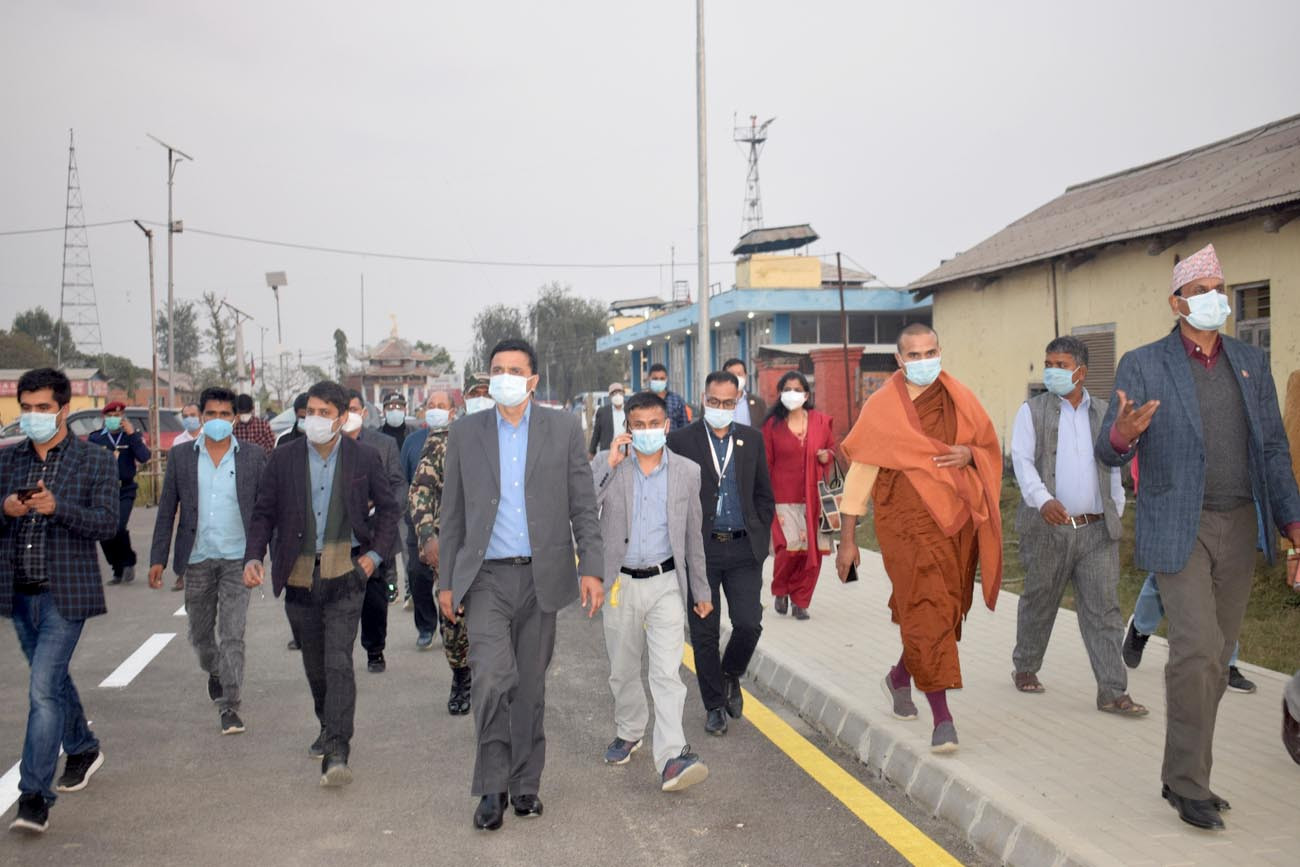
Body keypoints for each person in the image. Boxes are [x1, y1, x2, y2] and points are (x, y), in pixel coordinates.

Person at [1093, 243, 1300, 830]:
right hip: (1178, 523)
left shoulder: (1250, 363)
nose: (1215, 299)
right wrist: (1122, 436)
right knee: (1195, 652)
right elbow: (1111, 447)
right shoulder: (1144, 363)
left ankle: (1183, 773)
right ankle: (1188, 784)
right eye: (1202, 290)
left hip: (1240, 523)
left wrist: (1293, 527)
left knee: (1217, 656)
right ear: (1176, 301)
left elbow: (1273, 451)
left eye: (1221, 289)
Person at [438, 338, 603, 831]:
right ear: (488, 378)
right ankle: (492, 789)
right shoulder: (466, 433)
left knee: (529, 688)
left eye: (515, 370)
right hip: (485, 578)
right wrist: (447, 582)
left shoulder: (563, 428)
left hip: (541, 576)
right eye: (497, 369)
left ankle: (526, 783)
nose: (504, 377)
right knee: (491, 679)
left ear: (532, 380)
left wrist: (591, 565)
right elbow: (452, 515)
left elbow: (582, 503)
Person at [835, 324, 1003, 755]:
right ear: (899, 359)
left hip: (954, 524)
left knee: (944, 611)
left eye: (930, 352)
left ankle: (898, 678)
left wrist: (969, 455)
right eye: (914, 355)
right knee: (926, 608)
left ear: (939, 351)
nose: (924, 361)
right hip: (905, 527)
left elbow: (985, 448)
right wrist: (848, 541)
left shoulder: (957, 397)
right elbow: (859, 475)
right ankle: (942, 717)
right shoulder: (882, 408)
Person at [242, 380, 400, 787]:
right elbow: (263, 513)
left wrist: (373, 557)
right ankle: (328, 724)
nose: (314, 419)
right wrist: (253, 556)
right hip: (298, 573)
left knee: (338, 660)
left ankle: (337, 748)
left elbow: (388, 510)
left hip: (347, 572)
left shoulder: (363, 457)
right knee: (315, 667)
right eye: (309, 412)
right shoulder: (285, 458)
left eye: (324, 413)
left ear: (342, 417)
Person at [2, 368, 118, 834]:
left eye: (43, 408)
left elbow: (107, 524)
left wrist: (58, 508)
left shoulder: (94, 462)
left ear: (63, 410)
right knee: (50, 681)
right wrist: (5, 507)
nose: (33, 416)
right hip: (18, 592)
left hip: (64, 594)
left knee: (41, 690)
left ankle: (34, 795)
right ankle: (83, 746)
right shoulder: (9, 463)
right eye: (26, 408)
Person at [1009, 337, 1145, 715]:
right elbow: (1022, 462)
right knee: (1041, 599)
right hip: (1049, 527)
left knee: (1104, 611)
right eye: (1048, 362)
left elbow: (1114, 464)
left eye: (1061, 364)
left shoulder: (1104, 413)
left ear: (1081, 372)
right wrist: (1042, 499)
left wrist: (1113, 510)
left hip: (1097, 532)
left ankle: (1113, 691)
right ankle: (1026, 665)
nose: (1052, 369)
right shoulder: (1032, 411)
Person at [591, 391, 711, 790]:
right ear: (627, 428)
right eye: (637, 426)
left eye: (652, 425)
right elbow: (583, 509)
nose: (646, 432)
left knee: (666, 673)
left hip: (665, 584)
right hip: (620, 584)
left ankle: (672, 756)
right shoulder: (614, 469)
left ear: (666, 426)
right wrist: (606, 463)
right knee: (623, 670)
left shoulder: (687, 472)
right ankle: (629, 730)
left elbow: (693, 535)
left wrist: (701, 589)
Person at [147, 386, 267, 735]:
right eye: (210, 415)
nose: (217, 421)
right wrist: (158, 557)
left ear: (234, 418)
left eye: (224, 415)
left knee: (232, 633)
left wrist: (257, 555)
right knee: (200, 637)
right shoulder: (182, 456)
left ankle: (230, 704)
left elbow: (263, 511)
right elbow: (167, 508)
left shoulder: (253, 457)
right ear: (200, 417)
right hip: (196, 558)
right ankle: (215, 670)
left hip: (238, 560)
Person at [667, 370, 774, 737]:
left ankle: (731, 673)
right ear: (703, 398)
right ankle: (714, 705)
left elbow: (763, 493)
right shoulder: (680, 441)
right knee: (705, 632)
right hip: (701, 552)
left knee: (748, 624)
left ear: (738, 401)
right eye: (714, 402)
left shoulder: (752, 440)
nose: (721, 408)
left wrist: (761, 534)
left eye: (729, 403)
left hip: (745, 550)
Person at [408, 387, 473, 713]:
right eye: (475, 394)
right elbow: (421, 489)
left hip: (500, 549)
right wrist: (426, 536)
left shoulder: (512, 435)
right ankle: (461, 676)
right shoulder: (444, 439)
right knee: (454, 619)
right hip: (455, 548)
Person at [763, 371, 835, 620]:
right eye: (787, 389)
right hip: (783, 497)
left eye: (797, 389)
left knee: (812, 552)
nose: (792, 393)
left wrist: (827, 456)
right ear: (781, 394)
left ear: (806, 394)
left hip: (815, 497)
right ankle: (781, 589)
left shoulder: (821, 421)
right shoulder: (771, 426)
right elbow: (766, 463)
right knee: (790, 549)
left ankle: (801, 601)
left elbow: (832, 450)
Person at [343, 390, 404, 673]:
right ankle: (338, 653)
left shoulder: (384, 444)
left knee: (373, 598)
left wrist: (379, 505)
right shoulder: (326, 445)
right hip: (338, 535)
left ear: (363, 413)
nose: (349, 414)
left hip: (374, 531)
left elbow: (397, 484)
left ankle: (374, 649)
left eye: (353, 409)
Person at [402, 388, 468, 647]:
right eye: (432, 404)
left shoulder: (471, 437)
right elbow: (416, 486)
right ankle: (429, 631)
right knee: (424, 582)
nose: (436, 409)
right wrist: (426, 532)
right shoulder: (421, 441)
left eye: (442, 405)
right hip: (432, 531)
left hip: (475, 539)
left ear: (453, 411)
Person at [88, 401, 151, 585]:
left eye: (118, 416)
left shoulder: (130, 437)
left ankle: (128, 561)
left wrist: (132, 435)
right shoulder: (96, 438)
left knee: (118, 526)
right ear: (104, 418)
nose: (114, 419)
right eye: (111, 416)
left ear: (123, 417)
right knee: (104, 530)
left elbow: (144, 457)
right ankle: (117, 568)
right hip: (102, 490)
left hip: (125, 489)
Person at [710, 358, 767, 427]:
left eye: (739, 374)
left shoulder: (758, 403)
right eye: (732, 374)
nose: (736, 378)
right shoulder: (712, 402)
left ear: (745, 376)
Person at [646, 363, 689, 432]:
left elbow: (684, 426)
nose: (658, 381)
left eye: (662, 379)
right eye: (655, 379)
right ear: (649, 378)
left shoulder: (677, 400)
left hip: (673, 441)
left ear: (666, 379)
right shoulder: (642, 400)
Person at [588, 381, 626, 457]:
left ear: (623, 394)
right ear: (610, 396)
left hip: (626, 452)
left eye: (619, 392)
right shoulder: (603, 412)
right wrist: (592, 451)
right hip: (608, 452)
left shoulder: (630, 409)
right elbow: (596, 433)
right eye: (614, 393)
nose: (617, 395)